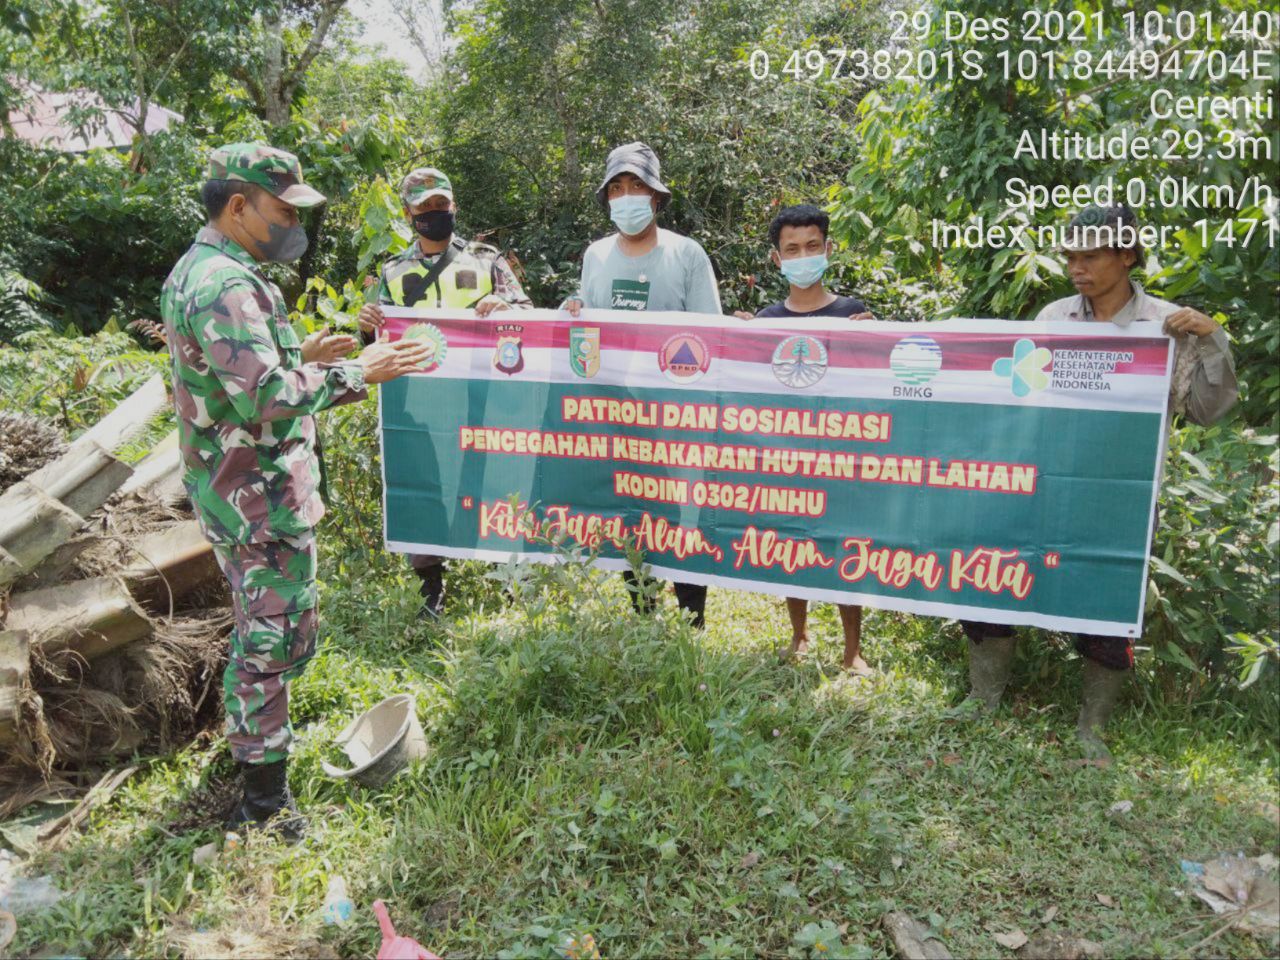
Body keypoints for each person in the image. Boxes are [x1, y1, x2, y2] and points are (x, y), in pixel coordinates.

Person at [162, 143, 432, 837]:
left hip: (241, 493)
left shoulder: (206, 271)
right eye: (282, 211)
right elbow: (264, 398)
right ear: (238, 206)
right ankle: (262, 803)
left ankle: (256, 765)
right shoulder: (224, 283)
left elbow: (227, 377)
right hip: (257, 500)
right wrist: (361, 373)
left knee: (265, 636)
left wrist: (301, 354)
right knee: (269, 646)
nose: (291, 225)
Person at [961, 203, 1238, 761]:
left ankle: (1092, 728)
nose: (1076, 267)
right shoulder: (1053, 320)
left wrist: (1213, 340)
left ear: (1127, 254)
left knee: (1106, 603)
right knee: (996, 578)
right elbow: (1021, 400)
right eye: (1070, 256)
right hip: (1043, 484)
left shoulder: (1165, 325)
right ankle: (982, 700)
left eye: (1089, 256)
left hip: (1120, 495)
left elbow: (1209, 412)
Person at [357, 167, 533, 619]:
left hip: (485, 400)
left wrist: (506, 305)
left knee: (496, 484)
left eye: (442, 205)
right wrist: (366, 327)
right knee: (425, 486)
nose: (435, 213)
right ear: (408, 213)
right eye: (425, 208)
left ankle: (511, 581)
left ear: (453, 206)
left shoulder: (486, 261)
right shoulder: (393, 271)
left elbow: (530, 317)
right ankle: (431, 592)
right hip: (418, 405)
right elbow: (376, 345)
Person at [563, 141, 721, 628]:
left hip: (678, 415)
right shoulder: (595, 255)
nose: (627, 196)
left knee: (683, 513)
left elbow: (710, 335)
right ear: (607, 199)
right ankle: (643, 616)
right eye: (617, 188)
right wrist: (572, 312)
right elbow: (588, 332)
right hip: (618, 414)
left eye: (637, 186)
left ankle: (692, 620)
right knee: (632, 508)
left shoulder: (686, 253)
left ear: (656, 196)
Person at [736, 204, 874, 673]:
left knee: (842, 544)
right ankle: (799, 635)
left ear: (828, 250)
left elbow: (875, 386)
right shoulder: (767, 319)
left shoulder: (853, 314)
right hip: (785, 456)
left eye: (812, 246)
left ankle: (852, 649)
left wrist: (877, 340)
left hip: (840, 454)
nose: (803, 255)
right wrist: (739, 340)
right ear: (777, 259)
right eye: (792, 249)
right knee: (791, 542)